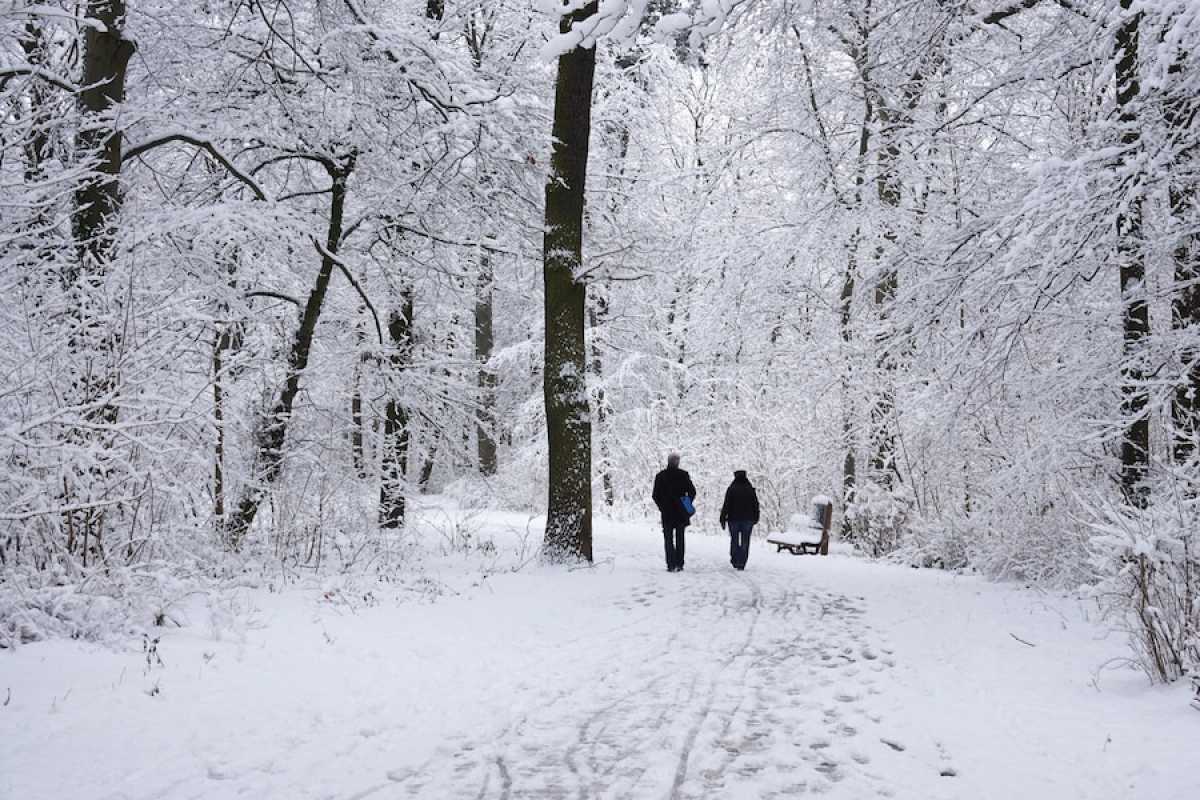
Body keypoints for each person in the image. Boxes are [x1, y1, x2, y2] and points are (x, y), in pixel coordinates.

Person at [652, 453, 696, 572]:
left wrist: (662, 506)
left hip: (667, 513)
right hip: (681, 512)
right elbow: (692, 491)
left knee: (668, 539)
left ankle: (671, 564)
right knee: (680, 538)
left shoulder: (660, 476)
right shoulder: (683, 475)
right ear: (678, 462)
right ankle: (680, 563)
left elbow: (655, 495)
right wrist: (686, 503)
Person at [719, 470, 760, 570]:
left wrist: (723, 518)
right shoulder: (750, 489)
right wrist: (756, 517)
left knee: (734, 540)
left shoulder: (731, 489)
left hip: (734, 519)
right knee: (745, 541)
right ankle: (742, 562)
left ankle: (735, 559)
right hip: (748, 519)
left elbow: (726, 505)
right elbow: (756, 504)